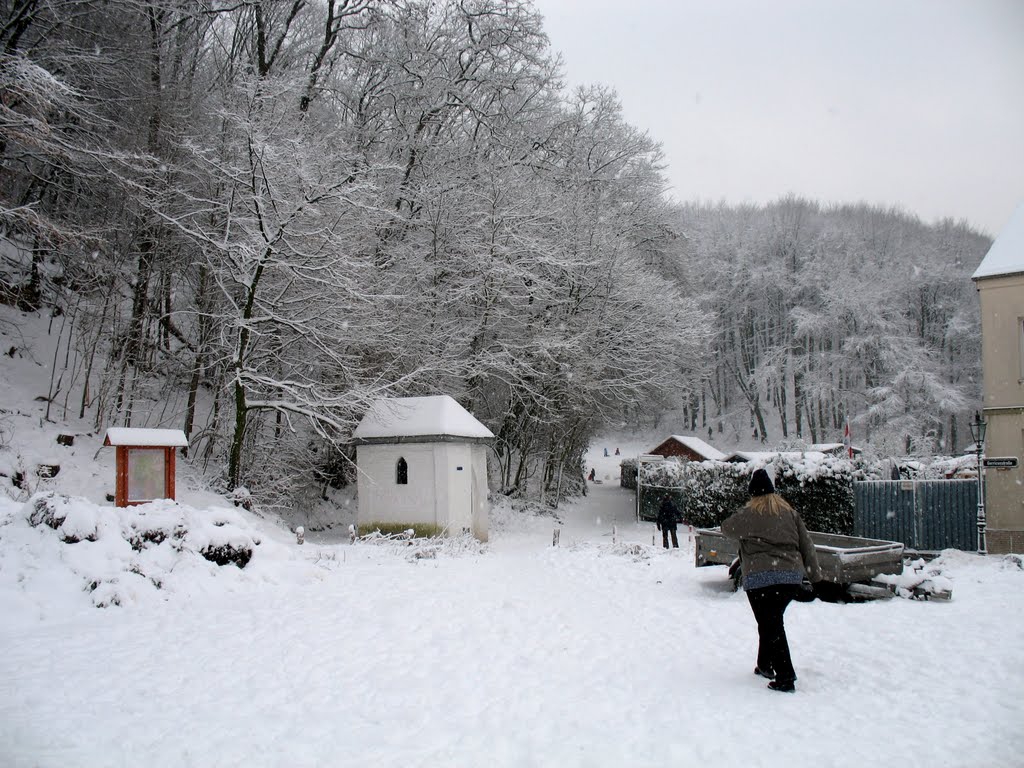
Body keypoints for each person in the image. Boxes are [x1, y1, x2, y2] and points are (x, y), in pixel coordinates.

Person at [720, 468, 821, 693]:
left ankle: (785, 677)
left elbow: (726, 528)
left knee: (771, 623)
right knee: (770, 621)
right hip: (790, 577)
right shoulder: (789, 512)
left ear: (753, 492)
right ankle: (764, 665)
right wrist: (815, 577)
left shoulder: (750, 514)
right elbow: (807, 545)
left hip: (760, 578)